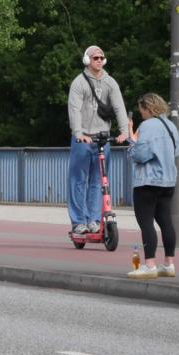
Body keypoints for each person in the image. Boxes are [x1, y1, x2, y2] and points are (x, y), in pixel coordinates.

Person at [67, 46, 129, 234]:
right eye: (95, 58)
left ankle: (93, 219)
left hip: (102, 139)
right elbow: (74, 109)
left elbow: (119, 107)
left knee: (98, 181)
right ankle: (79, 221)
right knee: (78, 181)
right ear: (87, 60)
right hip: (83, 138)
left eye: (102, 57)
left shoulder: (110, 82)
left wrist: (124, 130)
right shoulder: (79, 83)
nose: (99, 60)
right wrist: (78, 133)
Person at [125, 94, 179, 279]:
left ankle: (150, 265)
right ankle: (169, 264)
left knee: (146, 223)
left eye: (142, 110)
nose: (141, 114)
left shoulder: (147, 126)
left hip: (148, 181)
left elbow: (140, 155)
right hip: (169, 181)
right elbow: (177, 151)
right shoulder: (171, 125)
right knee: (166, 222)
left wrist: (131, 142)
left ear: (147, 108)